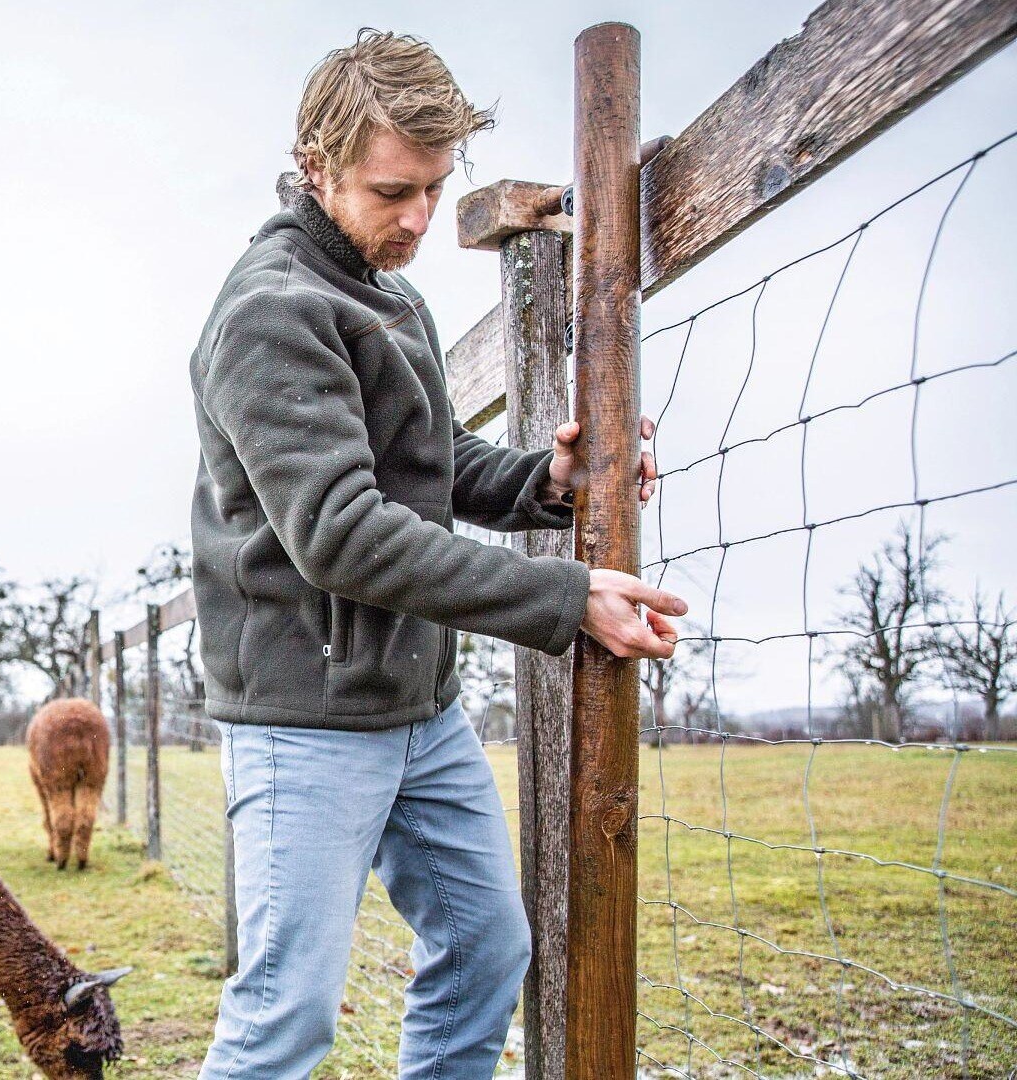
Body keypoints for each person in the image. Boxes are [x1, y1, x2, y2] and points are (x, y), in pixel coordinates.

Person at [189, 29, 685, 1080]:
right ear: (315, 166)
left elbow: (431, 459)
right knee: (286, 1018)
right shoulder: (274, 311)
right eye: (392, 191)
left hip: (422, 710)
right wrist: (563, 596)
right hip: (304, 720)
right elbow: (341, 530)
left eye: (434, 187)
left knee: (485, 948)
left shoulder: (391, 291)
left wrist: (544, 483)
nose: (419, 217)